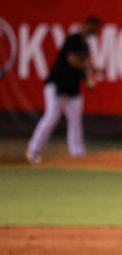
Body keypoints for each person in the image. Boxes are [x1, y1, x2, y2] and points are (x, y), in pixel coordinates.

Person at [26, 16, 101, 164]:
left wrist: (89, 80)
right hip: (57, 86)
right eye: (96, 27)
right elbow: (72, 60)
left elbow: (83, 67)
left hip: (72, 89)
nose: (97, 31)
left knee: (75, 120)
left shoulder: (85, 46)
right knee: (51, 116)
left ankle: (77, 153)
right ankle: (34, 149)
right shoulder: (73, 39)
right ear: (88, 24)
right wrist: (93, 69)